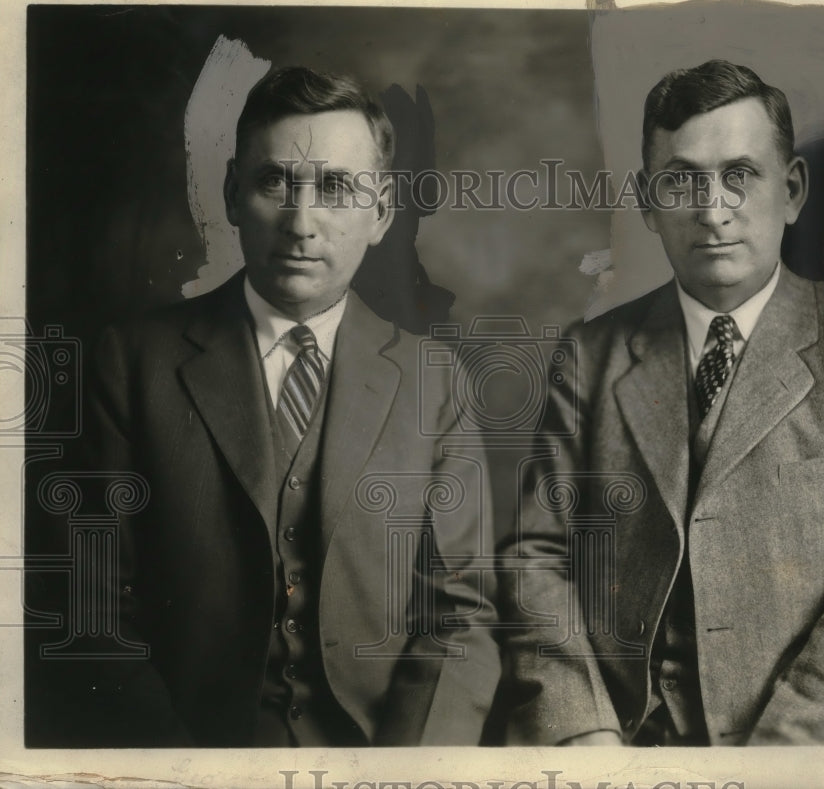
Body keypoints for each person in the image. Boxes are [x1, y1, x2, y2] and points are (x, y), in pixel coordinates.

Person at [498, 59, 824, 746]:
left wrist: (768, 761)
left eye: (740, 174)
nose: (712, 210)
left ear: (793, 190)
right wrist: (581, 732)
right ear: (648, 202)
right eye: (681, 181)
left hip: (805, 755)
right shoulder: (589, 355)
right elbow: (538, 558)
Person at [58, 67, 499, 746]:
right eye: (275, 184)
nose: (301, 222)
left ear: (381, 213)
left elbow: (464, 615)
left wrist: (402, 771)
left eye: (335, 188)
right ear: (234, 194)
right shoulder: (131, 362)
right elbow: (93, 610)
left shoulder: (436, 380)